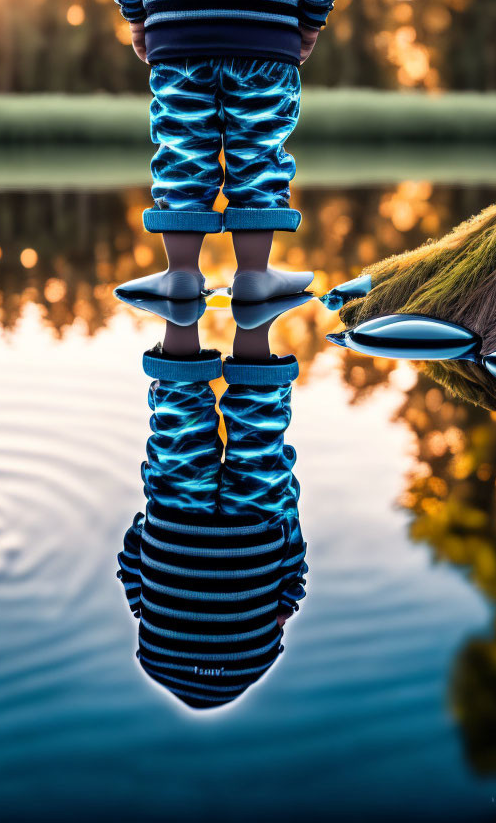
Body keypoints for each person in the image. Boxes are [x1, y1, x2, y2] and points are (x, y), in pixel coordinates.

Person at [111, 0, 336, 303]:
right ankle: (253, 273)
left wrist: (136, 15)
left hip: (177, 28)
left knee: (183, 150)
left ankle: (181, 272)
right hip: (262, 31)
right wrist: (312, 18)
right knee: (257, 153)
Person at [116, 300, 307, 708]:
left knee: (258, 429)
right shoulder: (155, 657)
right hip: (174, 522)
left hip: (254, 532)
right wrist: (145, 530)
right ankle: (178, 308)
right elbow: (133, 568)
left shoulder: (257, 663)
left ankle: (256, 310)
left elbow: (288, 585)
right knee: (179, 422)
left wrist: (287, 513)